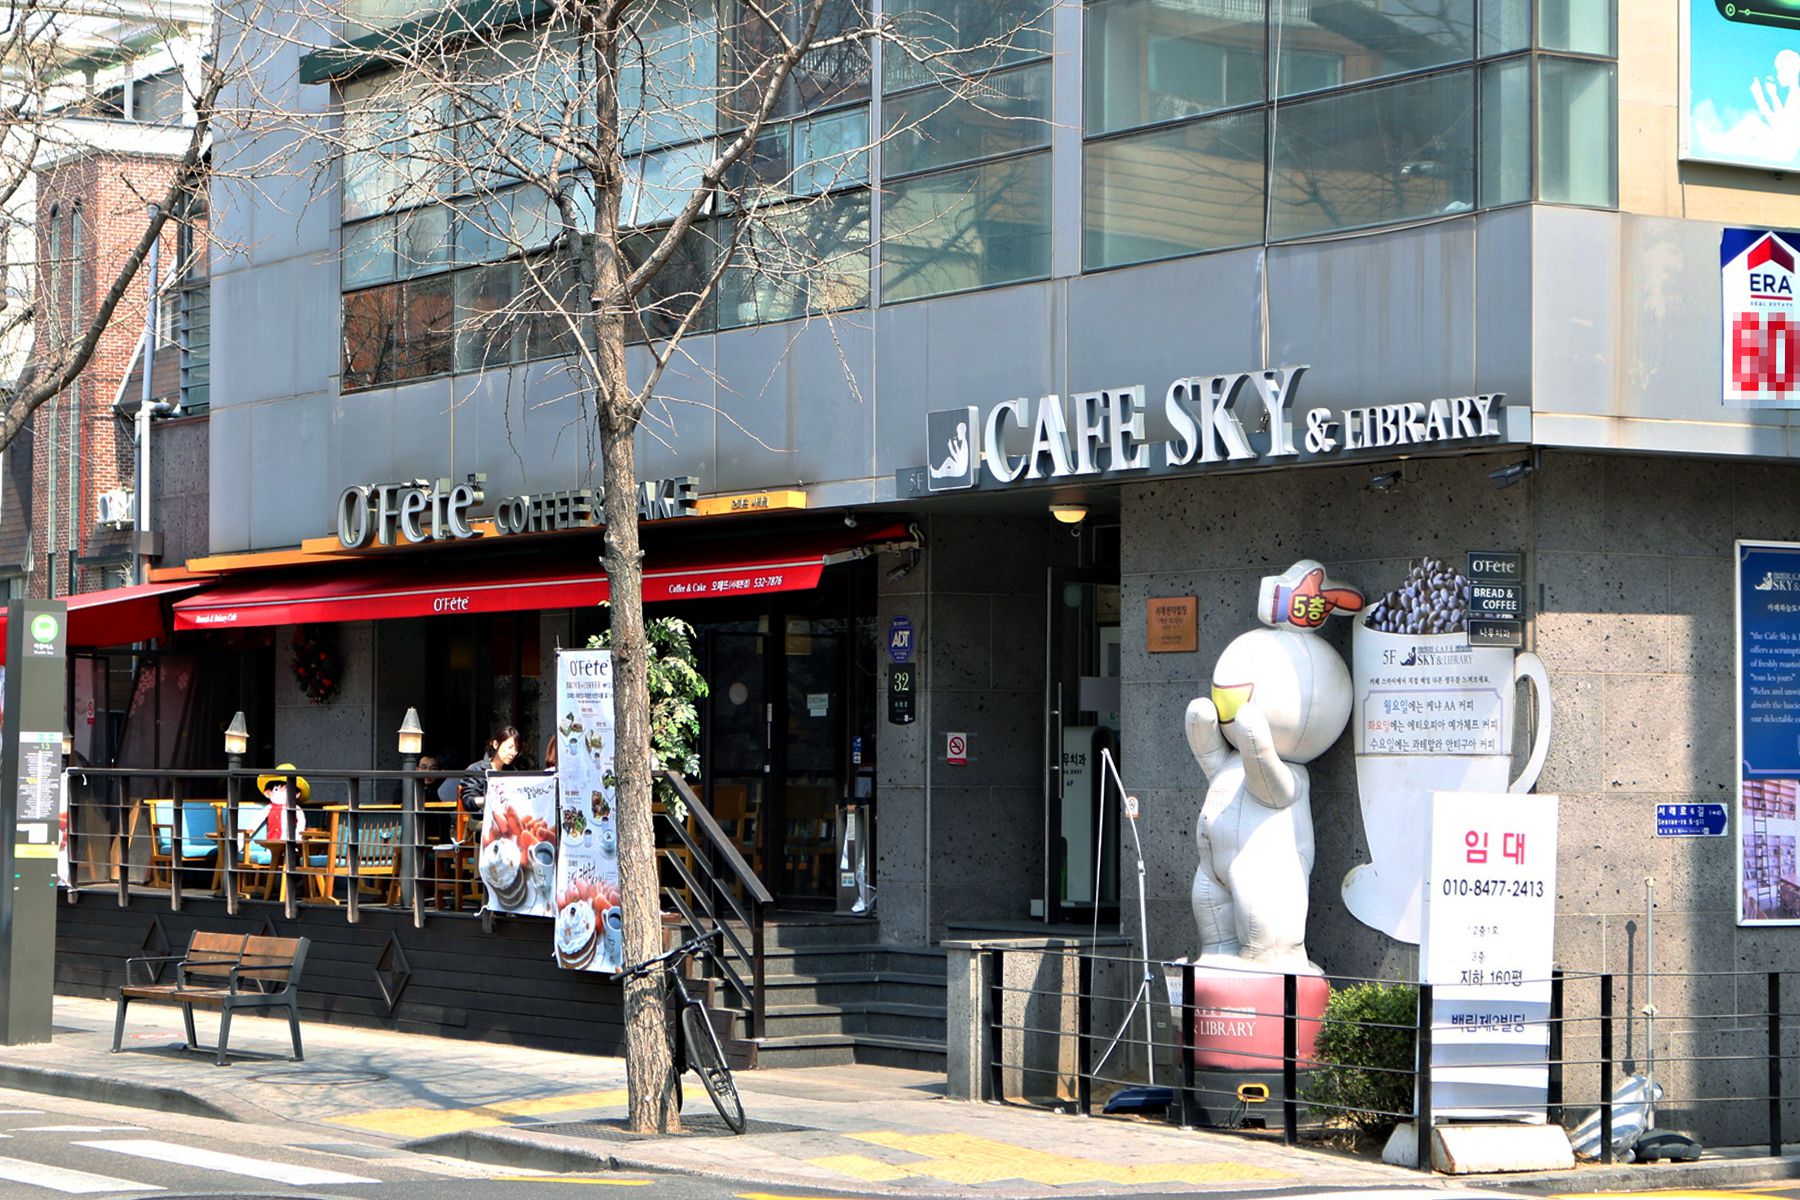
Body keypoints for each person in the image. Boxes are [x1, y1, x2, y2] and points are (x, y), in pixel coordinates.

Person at [439, 726, 519, 810]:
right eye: (510, 747)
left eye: (516, 749)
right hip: (483, 816)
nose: (513, 753)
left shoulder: (512, 771)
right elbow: (468, 800)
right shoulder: (476, 769)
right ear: (496, 744)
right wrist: (488, 800)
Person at [252, 763, 311, 842]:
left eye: (287, 790)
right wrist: (243, 837)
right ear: (268, 793)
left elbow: (301, 822)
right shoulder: (269, 808)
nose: (282, 793)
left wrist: (297, 837)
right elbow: (257, 820)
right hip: (272, 842)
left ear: (297, 794)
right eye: (276, 789)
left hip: (290, 842)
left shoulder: (295, 808)